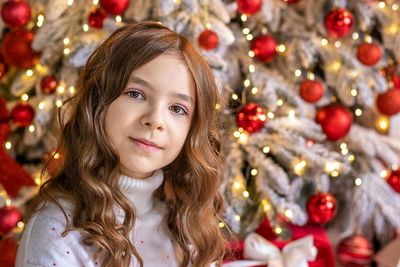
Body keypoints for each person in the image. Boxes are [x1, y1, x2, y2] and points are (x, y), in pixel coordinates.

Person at [16, 21, 232, 267]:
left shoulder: (185, 228)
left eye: (177, 108)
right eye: (136, 94)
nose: (154, 120)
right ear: (99, 103)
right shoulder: (59, 235)